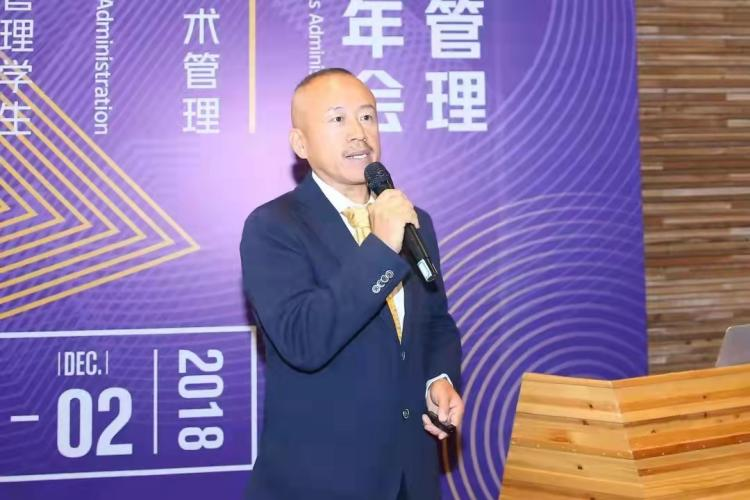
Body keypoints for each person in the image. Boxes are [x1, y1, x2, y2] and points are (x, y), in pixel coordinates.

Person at [240, 68, 463, 500]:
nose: (359, 132)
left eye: (367, 117)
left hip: (411, 478)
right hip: (320, 481)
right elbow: (304, 339)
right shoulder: (273, 226)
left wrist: (439, 378)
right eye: (338, 119)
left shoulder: (413, 220)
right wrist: (381, 247)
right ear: (300, 143)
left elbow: (436, 322)